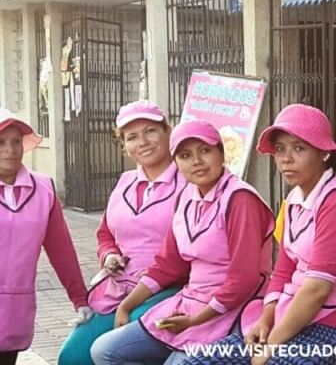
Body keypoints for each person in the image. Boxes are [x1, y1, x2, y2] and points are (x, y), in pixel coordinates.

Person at [183, 104, 336, 365]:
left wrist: (271, 346)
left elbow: (317, 289)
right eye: (280, 149)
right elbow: (285, 269)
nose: (286, 158)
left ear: (323, 153)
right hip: (289, 319)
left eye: (299, 148)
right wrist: (266, 319)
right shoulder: (296, 198)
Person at [90, 119, 275, 365]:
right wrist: (126, 306)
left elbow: (243, 280)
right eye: (185, 155)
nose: (196, 161)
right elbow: (168, 264)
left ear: (222, 153)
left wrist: (194, 321)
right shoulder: (186, 197)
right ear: (176, 162)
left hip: (232, 310)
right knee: (105, 350)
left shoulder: (240, 200)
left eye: (205, 151)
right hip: (189, 302)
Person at [59, 101, 183, 365]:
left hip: (168, 291)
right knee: (72, 357)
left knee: (119, 350)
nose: (143, 142)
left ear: (167, 132)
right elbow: (105, 234)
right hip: (117, 291)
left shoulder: (189, 182)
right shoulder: (125, 182)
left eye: (150, 131)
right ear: (124, 146)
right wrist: (109, 256)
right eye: (132, 137)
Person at [0, 108, 90, 365]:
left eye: (16, 141)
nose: (10, 149)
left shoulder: (43, 189)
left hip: (15, 306)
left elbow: (61, 249)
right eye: (1, 142)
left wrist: (79, 297)